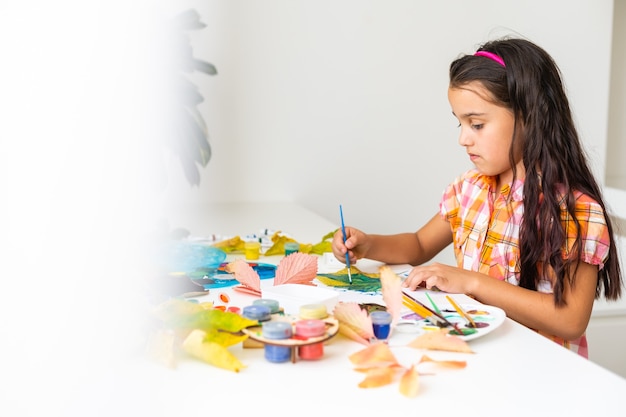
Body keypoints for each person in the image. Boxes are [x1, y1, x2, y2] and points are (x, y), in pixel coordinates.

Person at [332, 37, 623, 358]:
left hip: (541, 373)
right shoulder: (469, 190)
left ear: (529, 116)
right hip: (480, 358)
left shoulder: (575, 211)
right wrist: (369, 244)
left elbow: (569, 320)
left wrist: (471, 282)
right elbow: (418, 245)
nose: (462, 138)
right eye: (460, 123)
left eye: (477, 124)